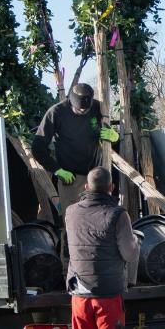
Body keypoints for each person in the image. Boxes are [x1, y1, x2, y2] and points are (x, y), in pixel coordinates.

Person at [63, 166, 139, 329]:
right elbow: (129, 253)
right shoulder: (118, 214)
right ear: (112, 189)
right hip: (107, 296)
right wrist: (136, 243)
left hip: (79, 296)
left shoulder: (71, 212)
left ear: (86, 188)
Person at [31, 83, 119, 254]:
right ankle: (69, 269)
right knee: (71, 225)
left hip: (95, 176)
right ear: (71, 102)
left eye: (85, 110)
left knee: (100, 221)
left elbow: (108, 133)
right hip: (70, 177)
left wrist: (114, 136)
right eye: (79, 110)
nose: (82, 112)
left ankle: (98, 260)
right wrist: (57, 169)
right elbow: (37, 148)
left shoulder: (99, 107)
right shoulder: (56, 112)